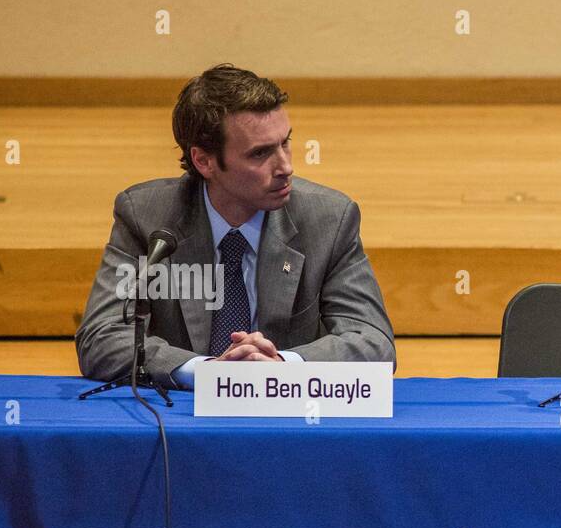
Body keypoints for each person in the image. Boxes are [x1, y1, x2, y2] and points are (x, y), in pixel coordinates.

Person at [76, 64, 395, 390]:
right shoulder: (147, 218)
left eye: (285, 142)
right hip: (184, 422)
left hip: (291, 415)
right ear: (204, 161)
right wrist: (206, 372)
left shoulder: (328, 219)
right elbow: (101, 338)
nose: (286, 166)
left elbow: (374, 342)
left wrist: (283, 366)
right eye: (260, 154)